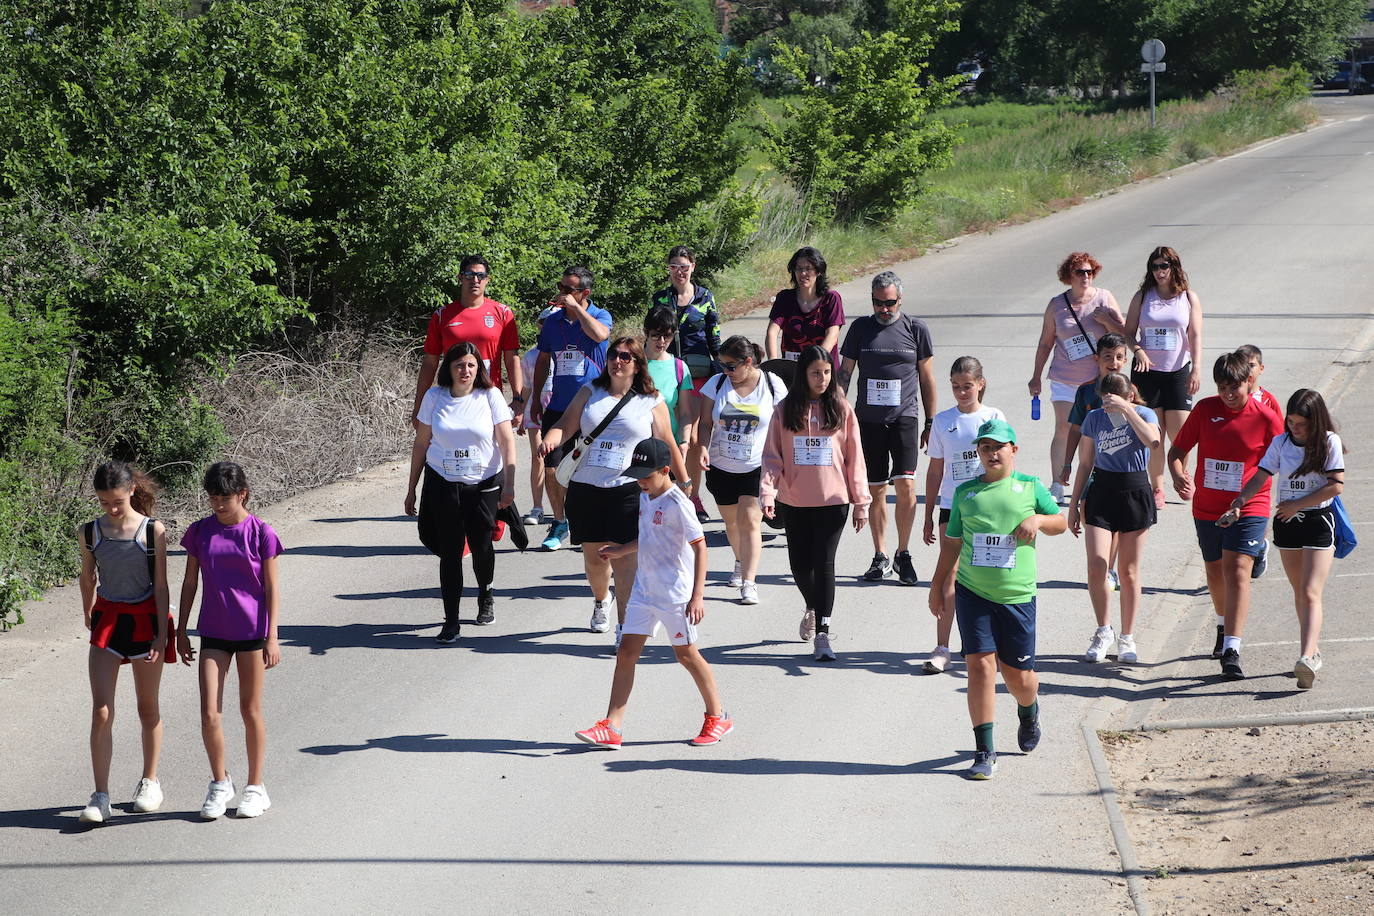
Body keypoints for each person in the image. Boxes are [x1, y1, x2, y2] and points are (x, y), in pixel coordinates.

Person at [928, 419, 1066, 780]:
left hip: (1017, 596)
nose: (991, 453)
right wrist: (937, 583)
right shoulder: (966, 493)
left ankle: (1028, 709)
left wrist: (1037, 520)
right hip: (974, 593)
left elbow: (1061, 522)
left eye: (998, 447)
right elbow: (953, 543)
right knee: (980, 667)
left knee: (1018, 677)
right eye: (984, 447)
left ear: (1013, 450)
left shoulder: (1029, 487)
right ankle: (984, 750)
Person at [574, 438, 732, 749]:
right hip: (644, 591)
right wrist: (622, 550)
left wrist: (697, 595)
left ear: (665, 470)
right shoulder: (646, 497)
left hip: (675, 594)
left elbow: (700, 548)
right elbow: (648, 537)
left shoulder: (678, 504)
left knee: (686, 655)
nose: (640, 482)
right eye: (637, 476)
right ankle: (613, 727)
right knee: (626, 654)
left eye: (646, 476)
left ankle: (718, 717)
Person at [541, 337, 689, 643]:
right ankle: (600, 600)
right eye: (613, 355)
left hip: (629, 489)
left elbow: (668, 443)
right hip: (586, 488)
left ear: (637, 365)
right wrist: (552, 438)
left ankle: (625, 628)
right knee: (596, 560)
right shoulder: (590, 392)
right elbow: (566, 424)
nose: (617, 361)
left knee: (625, 564)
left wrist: (683, 482)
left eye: (625, 357)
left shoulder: (651, 400)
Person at [1167, 352, 1284, 680]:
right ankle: (1222, 622)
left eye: (1234, 387)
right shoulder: (1205, 410)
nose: (1228, 394)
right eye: (1222, 388)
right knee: (1215, 572)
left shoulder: (1265, 417)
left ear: (1249, 381)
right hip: (1208, 506)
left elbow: (1287, 455)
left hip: (1250, 505)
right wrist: (1177, 474)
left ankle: (1232, 648)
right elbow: (1178, 451)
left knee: (1237, 572)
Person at [176, 462, 283, 819]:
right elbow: (190, 583)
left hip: (252, 632)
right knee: (209, 713)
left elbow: (271, 588)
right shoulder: (200, 532)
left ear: (243, 494)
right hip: (213, 631)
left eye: (225, 498)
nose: (218, 504)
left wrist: (272, 637)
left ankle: (256, 787)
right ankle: (220, 783)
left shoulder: (260, 533)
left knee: (250, 711)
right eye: (213, 498)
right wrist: (181, 630)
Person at [76, 462, 173, 824]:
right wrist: (87, 610)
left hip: (146, 622)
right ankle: (100, 796)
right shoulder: (90, 532)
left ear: (131, 490)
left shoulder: (153, 531)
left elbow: (161, 585)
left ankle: (150, 781)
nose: (111, 509)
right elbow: (88, 575)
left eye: (116, 501)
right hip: (108, 622)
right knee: (101, 711)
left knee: (147, 707)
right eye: (104, 502)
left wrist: (163, 635)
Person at [1228, 389, 1344, 688]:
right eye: (1291, 421)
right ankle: (1313, 648)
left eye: (1301, 423)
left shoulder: (1328, 441)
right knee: (1299, 591)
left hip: (1318, 521)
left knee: (1309, 591)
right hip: (1286, 525)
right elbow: (1261, 474)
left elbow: (1335, 487)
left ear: (1315, 421)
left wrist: (1297, 505)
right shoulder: (1281, 442)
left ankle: (1306, 657)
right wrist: (1240, 501)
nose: (1295, 427)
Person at [761, 345, 870, 661]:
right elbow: (771, 457)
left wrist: (861, 501)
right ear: (803, 375)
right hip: (794, 501)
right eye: (815, 373)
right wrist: (768, 493)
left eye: (826, 373)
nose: (822, 379)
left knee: (824, 564)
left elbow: (854, 459)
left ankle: (823, 632)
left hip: (834, 501)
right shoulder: (784, 411)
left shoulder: (841, 408)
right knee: (799, 565)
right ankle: (813, 604)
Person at [405, 342, 518, 641]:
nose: (465, 370)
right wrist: (411, 488)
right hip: (443, 481)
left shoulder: (490, 396)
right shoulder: (434, 396)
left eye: (470, 365)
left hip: (482, 484)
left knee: (481, 545)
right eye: (459, 365)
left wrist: (510, 482)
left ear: (478, 368)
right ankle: (451, 619)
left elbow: (507, 442)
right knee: (450, 552)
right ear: (449, 368)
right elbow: (421, 444)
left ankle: (486, 594)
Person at [838, 270, 936, 586]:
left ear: (900, 300)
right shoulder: (860, 329)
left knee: (906, 485)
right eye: (878, 303)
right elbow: (845, 373)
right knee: (876, 489)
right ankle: (880, 556)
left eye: (889, 303)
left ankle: (903, 553)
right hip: (868, 420)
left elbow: (927, 377)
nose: (884, 309)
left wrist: (931, 420)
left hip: (905, 417)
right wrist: (837, 412)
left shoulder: (915, 329)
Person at [1067, 373, 1161, 664]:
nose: (1108, 408)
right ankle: (1103, 630)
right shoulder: (1095, 418)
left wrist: (1127, 410)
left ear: (1130, 395)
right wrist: (1073, 504)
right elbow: (1085, 462)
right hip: (1101, 492)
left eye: (1113, 402)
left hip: (1134, 491)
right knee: (1097, 565)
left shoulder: (1143, 413)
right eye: (1105, 402)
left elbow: (1154, 442)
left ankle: (1127, 637)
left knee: (1129, 570)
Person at [921, 357, 1005, 674]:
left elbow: (1006, 464)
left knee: (987, 575)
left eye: (967, 386)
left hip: (989, 507)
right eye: (955, 387)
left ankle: (986, 644)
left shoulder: (994, 417)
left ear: (980, 384)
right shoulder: (943, 421)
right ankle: (942, 647)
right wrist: (928, 514)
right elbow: (935, 470)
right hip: (952, 508)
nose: (961, 393)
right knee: (949, 575)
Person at [1027, 252, 1127, 504]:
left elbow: (1124, 334)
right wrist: (1036, 376)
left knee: (1090, 431)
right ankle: (1057, 484)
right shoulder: (1056, 305)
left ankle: (1086, 482)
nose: (1085, 277)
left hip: (1097, 380)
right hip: (1064, 378)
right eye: (1080, 272)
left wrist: (1106, 319)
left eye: (1089, 272)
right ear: (1068, 276)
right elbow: (1045, 342)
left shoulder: (1104, 298)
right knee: (1063, 428)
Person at [697, 335, 789, 605]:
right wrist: (702, 447)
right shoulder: (717, 384)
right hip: (720, 465)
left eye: (730, 366)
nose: (726, 371)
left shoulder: (772, 385)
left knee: (750, 521)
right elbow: (704, 423)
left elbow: (785, 425)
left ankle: (749, 582)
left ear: (748, 362)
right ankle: (739, 559)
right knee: (731, 522)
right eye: (722, 365)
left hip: (757, 466)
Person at [530, 266, 612, 551]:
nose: (562, 293)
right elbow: (542, 361)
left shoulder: (599, 316)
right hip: (559, 408)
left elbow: (601, 336)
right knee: (552, 468)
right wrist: (536, 398)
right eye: (561, 287)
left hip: (593, 407)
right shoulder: (552, 323)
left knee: (588, 470)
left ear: (585, 293)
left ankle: (589, 523)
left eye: (570, 289)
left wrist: (577, 309)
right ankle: (560, 521)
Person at [1124, 246, 1204, 509]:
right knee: (1154, 435)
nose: (1159, 272)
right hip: (1147, 374)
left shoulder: (1188, 298)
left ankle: (1180, 476)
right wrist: (1138, 351)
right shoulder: (1142, 297)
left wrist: (1196, 368)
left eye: (1164, 266)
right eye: (1155, 267)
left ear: (1174, 268)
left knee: (1180, 436)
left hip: (1178, 371)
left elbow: (1195, 336)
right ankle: (1157, 488)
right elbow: (1128, 333)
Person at [649, 247, 721, 521]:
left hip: (698, 372)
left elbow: (714, 334)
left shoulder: (705, 297)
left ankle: (693, 496)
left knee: (691, 437)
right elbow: (652, 331)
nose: (679, 272)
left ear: (693, 266)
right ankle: (665, 491)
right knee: (666, 431)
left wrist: (721, 367)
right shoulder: (660, 298)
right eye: (673, 267)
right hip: (668, 370)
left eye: (684, 266)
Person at [412, 254, 524, 428]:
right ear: (460, 278)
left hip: (489, 397)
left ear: (487, 280)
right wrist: (419, 405)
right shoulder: (442, 315)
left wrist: (518, 399)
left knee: (493, 453)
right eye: (469, 275)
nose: (475, 280)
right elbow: (429, 363)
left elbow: (512, 359)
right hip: (451, 398)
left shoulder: (502, 313)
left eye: (481, 276)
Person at [1063, 333, 1131, 591]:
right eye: (1107, 357)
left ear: (1125, 360)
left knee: (1114, 523)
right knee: (1088, 508)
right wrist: (1067, 464)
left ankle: (1109, 568)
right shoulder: (1085, 392)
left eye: (1119, 357)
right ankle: (1098, 565)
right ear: (1097, 359)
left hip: (1119, 467)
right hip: (1091, 464)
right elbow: (1074, 430)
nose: (1113, 362)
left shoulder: (1130, 391)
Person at [765, 246, 845, 367]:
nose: (803, 273)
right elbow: (772, 332)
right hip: (791, 371)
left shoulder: (831, 298)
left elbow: (832, 335)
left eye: (808, 269)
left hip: (822, 370)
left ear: (818, 271)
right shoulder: (784, 298)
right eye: (798, 269)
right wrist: (774, 365)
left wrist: (815, 363)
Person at [517, 307, 558, 526]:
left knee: (559, 460)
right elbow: (527, 387)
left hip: (560, 409)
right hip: (536, 408)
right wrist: (522, 413)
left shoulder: (563, 353)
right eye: (545, 323)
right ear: (539, 326)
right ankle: (537, 507)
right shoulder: (531, 356)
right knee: (538, 457)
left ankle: (562, 507)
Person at [643, 306, 697, 465]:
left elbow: (686, 414)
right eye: (655, 335)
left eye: (667, 336)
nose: (662, 342)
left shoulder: (679, 367)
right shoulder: (631, 362)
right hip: (635, 448)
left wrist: (684, 442)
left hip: (667, 449)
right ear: (646, 332)